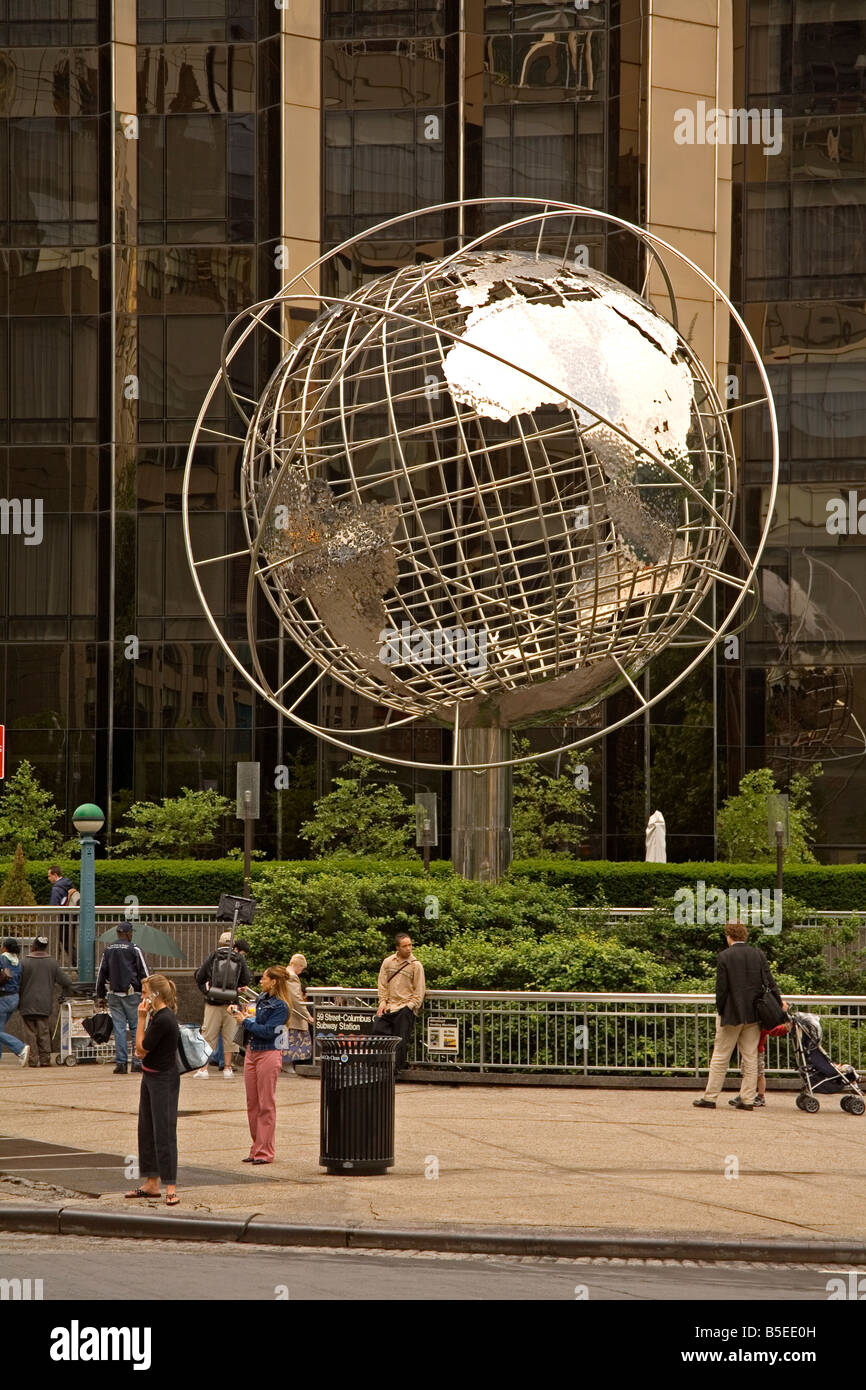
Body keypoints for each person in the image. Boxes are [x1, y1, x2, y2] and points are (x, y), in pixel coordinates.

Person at [693, 921, 782, 1111]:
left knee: (721, 1055)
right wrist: (779, 1002)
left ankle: (710, 1097)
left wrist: (721, 1009)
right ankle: (748, 1099)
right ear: (745, 936)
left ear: (729, 936)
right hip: (754, 1014)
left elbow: (721, 989)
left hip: (731, 1014)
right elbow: (770, 982)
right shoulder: (758, 954)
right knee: (750, 1057)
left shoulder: (725, 956)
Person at [125, 975, 181, 1207]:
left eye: (145, 992)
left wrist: (140, 1017)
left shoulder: (164, 1019)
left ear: (155, 995)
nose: (142, 996)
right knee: (146, 1129)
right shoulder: (158, 1016)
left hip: (163, 1079)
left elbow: (140, 1049)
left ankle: (171, 1186)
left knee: (164, 1131)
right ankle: (151, 1183)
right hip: (151, 1076)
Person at [229, 965, 290, 1164]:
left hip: (269, 1052)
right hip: (252, 1051)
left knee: (266, 1103)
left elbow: (269, 1031)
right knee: (252, 1103)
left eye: (264, 978)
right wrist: (242, 1015)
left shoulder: (281, 1006)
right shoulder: (262, 999)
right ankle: (256, 1147)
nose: (260, 981)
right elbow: (256, 1021)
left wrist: (244, 1022)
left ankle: (265, 1151)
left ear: (273, 981)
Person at [193, 932, 251, 1079]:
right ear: (233, 944)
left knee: (208, 1035)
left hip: (213, 1001)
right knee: (229, 1036)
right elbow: (246, 979)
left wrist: (207, 991)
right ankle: (227, 1068)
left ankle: (203, 1069)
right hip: (231, 1002)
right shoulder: (239, 958)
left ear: (220, 943)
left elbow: (200, 977)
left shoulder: (213, 955)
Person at [95, 924, 150, 1074]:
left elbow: (101, 973)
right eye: (131, 932)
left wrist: (100, 995)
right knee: (136, 1027)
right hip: (132, 993)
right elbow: (144, 972)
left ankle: (121, 1063)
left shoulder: (108, 950)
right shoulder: (134, 949)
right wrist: (147, 992)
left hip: (113, 994)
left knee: (118, 1029)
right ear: (127, 933)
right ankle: (137, 1061)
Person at [373, 932, 426, 1074]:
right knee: (378, 1032)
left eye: (410, 945)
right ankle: (380, 1068)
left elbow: (419, 990)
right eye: (405, 946)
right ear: (398, 948)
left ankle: (395, 1071)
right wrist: (382, 1002)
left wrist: (410, 1007)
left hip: (405, 1007)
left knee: (400, 1040)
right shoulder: (388, 962)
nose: (408, 948)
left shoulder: (416, 966)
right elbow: (382, 984)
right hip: (390, 1006)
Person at [19, 936, 73, 1067]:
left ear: (33, 946)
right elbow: (67, 982)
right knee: (43, 1032)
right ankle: (45, 1059)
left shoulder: (24, 962)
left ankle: (32, 1060)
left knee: (30, 1033)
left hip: (26, 1003)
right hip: (44, 1004)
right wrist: (63, 994)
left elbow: (17, 982)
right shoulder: (52, 963)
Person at [281, 953, 313, 1075]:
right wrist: (306, 1015)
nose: (301, 971)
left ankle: (285, 1064)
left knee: (284, 1040)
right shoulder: (292, 976)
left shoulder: (284, 973)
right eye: (301, 968)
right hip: (292, 1015)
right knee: (295, 1041)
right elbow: (296, 998)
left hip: (284, 1013)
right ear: (298, 965)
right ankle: (287, 1064)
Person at [0, 938, 29, 1067]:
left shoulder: (2, 958)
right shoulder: (18, 962)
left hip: (3, 998)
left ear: (5, 947)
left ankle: (20, 1048)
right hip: (14, 998)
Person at [48, 866, 79, 966]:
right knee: (69, 942)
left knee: (66, 942)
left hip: (64, 918)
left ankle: (78, 965)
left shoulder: (56, 888)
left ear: (55, 875)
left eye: (49, 876)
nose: (48, 878)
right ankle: (78, 965)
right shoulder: (68, 883)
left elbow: (53, 906)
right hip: (72, 916)